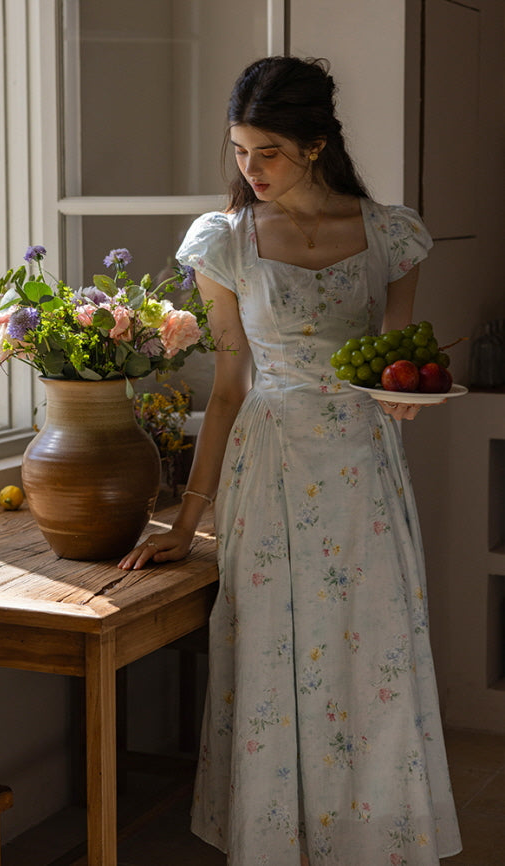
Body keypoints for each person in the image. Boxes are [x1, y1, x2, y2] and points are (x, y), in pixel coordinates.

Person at [119, 55, 461, 866]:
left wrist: (402, 397)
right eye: (239, 151)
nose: (250, 169)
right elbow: (230, 387)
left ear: (314, 145)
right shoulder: (225, 242)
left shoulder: (389, 235)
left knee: (370, 651)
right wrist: (186, 521)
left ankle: (377, 841)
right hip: (268, 470)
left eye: (266, 151)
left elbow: (392, 364)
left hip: (363, 470)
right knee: (274, 658)